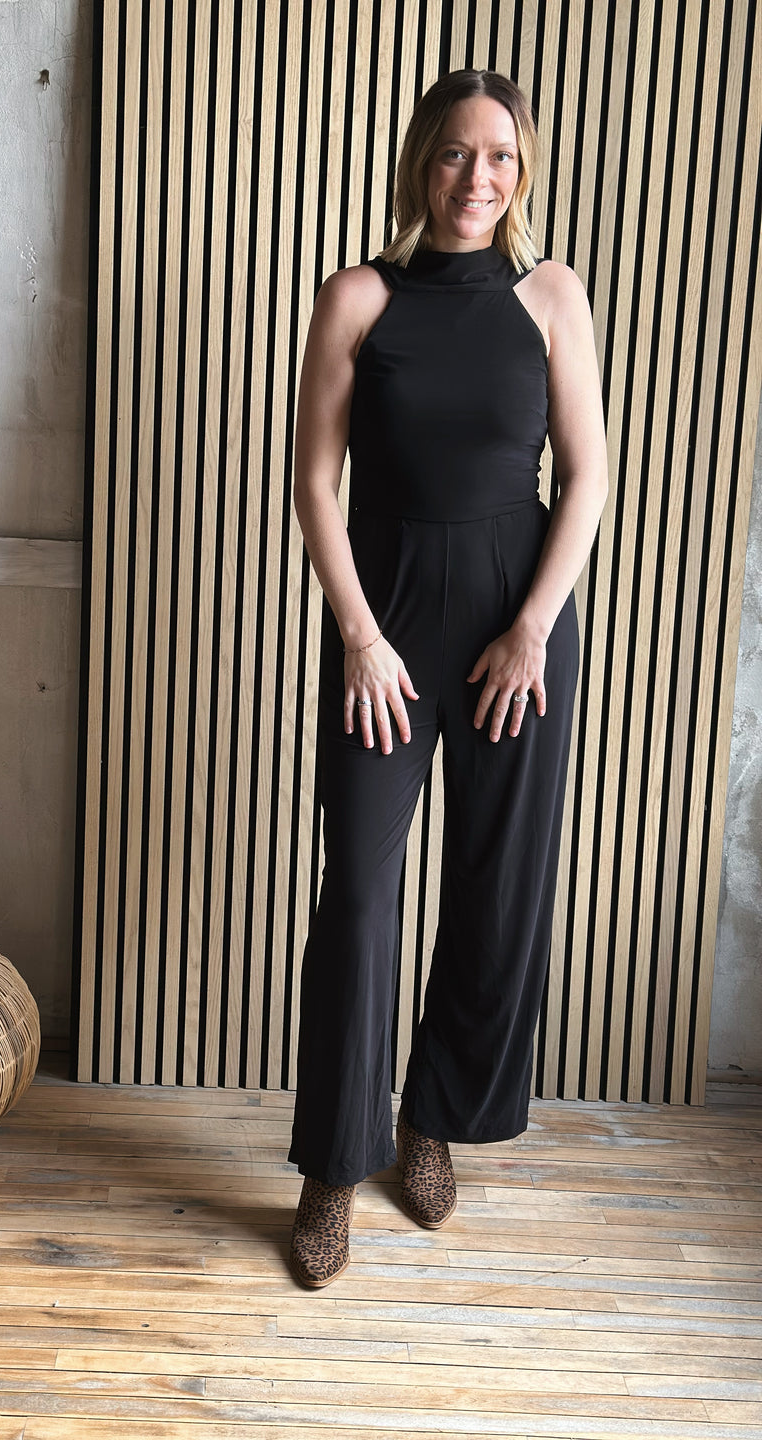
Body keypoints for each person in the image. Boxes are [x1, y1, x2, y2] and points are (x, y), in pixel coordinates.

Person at [286, 68, 608, 1289]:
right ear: (423, 160)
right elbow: (317, 486)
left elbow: (585, 476)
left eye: (503, 158)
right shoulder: (359, 297)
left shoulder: (553, 297)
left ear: (522, 173)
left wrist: (533, 626)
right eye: (456, 155)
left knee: (497, 887)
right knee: (360, 898)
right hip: (390, 616)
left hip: (515, 620)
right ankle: (332, 1165)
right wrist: (361, 638)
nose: (479, 179)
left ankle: (431, 1125)